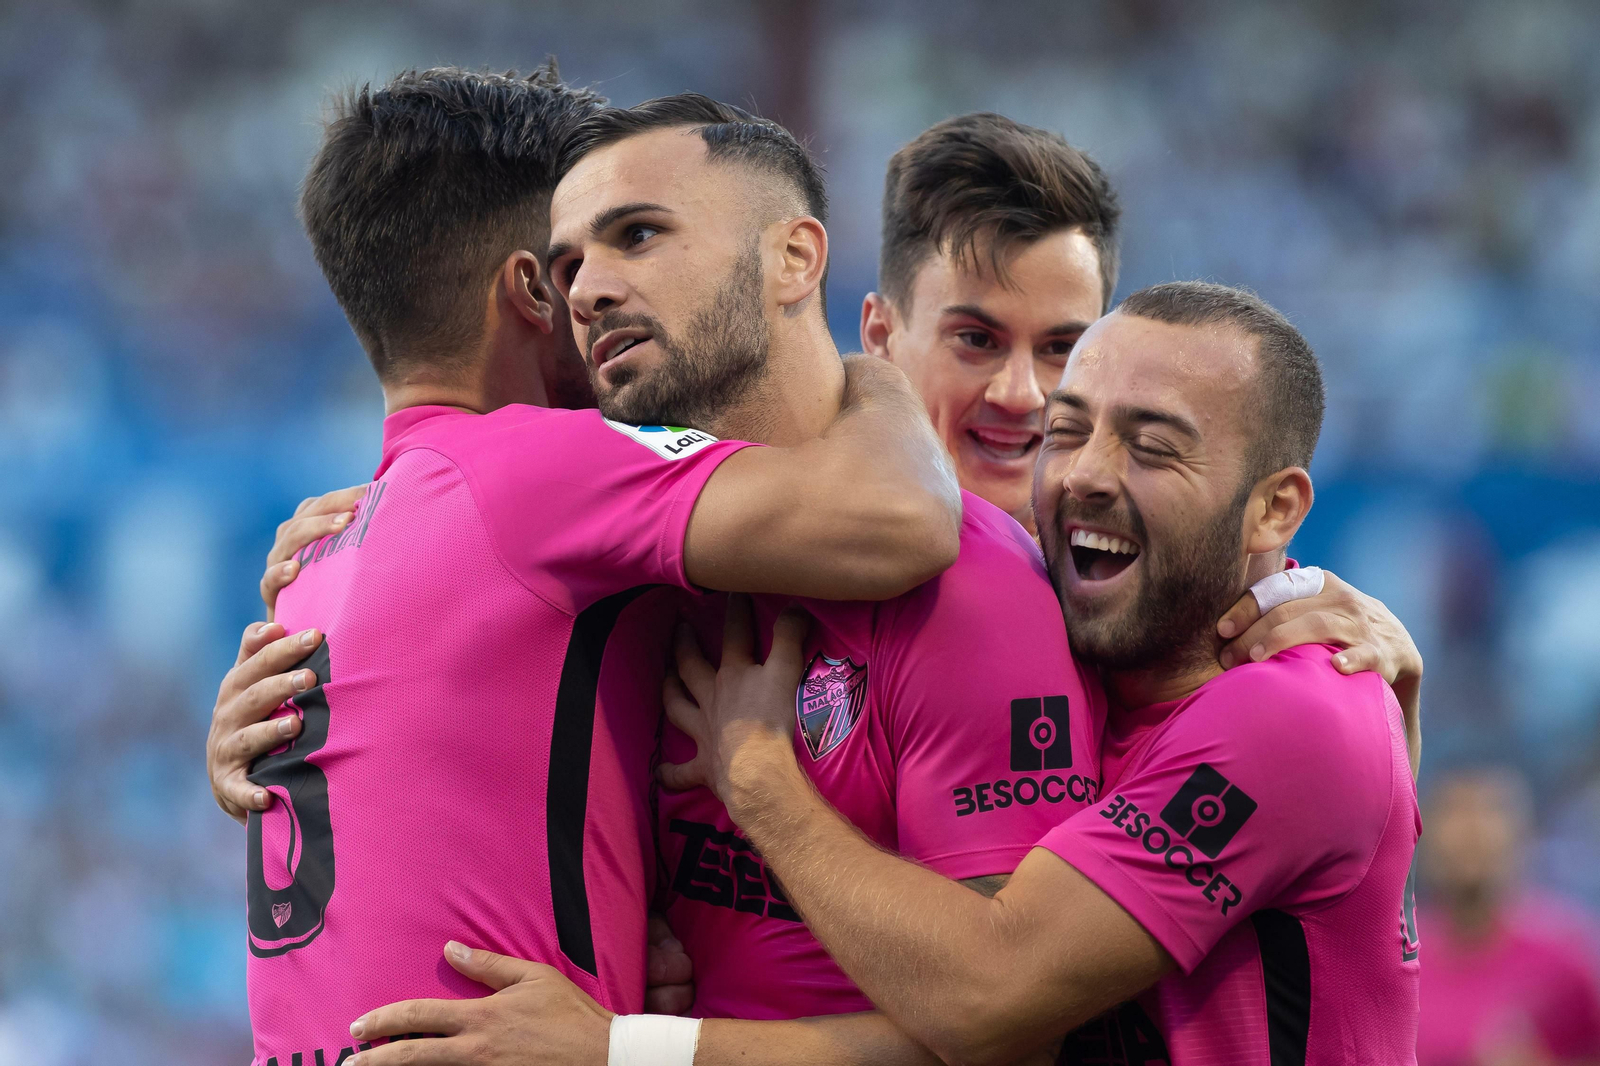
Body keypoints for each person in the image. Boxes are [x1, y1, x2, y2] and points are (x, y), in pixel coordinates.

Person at [291, 109, 1418, 1066]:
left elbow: (1000, 1010)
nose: (1027, 404)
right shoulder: (662, 556)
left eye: (1061, 357)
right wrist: (293, 667)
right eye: (976, 340)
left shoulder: (1194, 659)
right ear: (882, 328)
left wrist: (634, 1034)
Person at [228, 68, 965, 1066]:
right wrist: (874, 369)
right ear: (533, 291)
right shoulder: (541, 468)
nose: (601, 291)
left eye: (631, 242)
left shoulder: (318, 553)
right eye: (575, 259)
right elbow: (901, 516)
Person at [862, 113, 1116, 535]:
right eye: (977, 340)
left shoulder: (1161, 567)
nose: (1019, 396)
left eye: (1060, 348)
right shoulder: (769, 554)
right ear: (882, 336)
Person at [1417, 766, 1600, 1066]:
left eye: (1488, 813)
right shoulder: (1396, 958)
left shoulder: (1566, 955)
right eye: (1453, 814)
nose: (1470, 832)